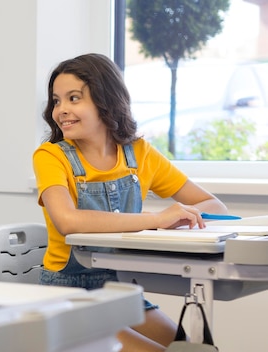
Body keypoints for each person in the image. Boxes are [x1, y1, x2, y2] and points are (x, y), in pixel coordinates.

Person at [33, 53, 229, 352]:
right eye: (57, 100)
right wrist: (155, 219)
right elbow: (68, 221)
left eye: (74, 98)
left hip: (120, 291)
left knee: (189, 349)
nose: (62, 110)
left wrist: (177, 219)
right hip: (69, 295)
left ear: (105, 99)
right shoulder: (51, 156)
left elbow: (212, 205)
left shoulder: (139, 153)